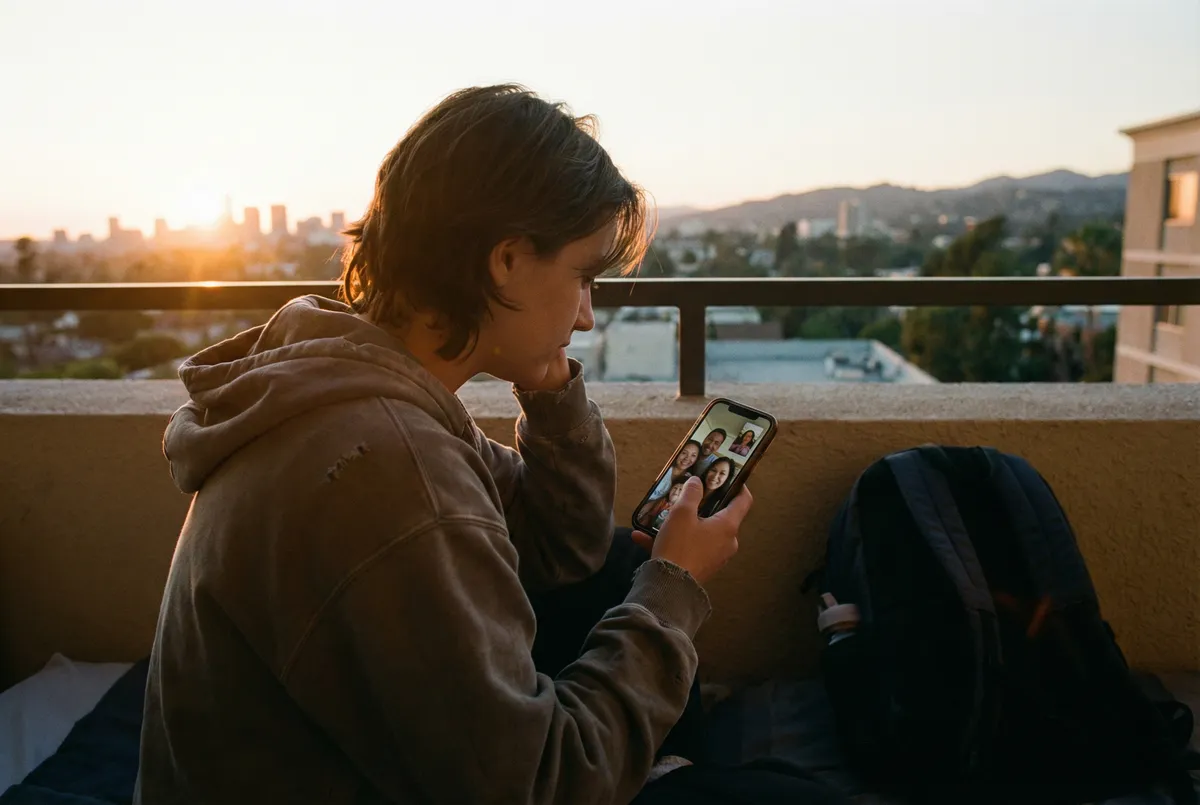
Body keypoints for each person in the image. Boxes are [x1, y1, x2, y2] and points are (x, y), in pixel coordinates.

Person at [134, 84, 753, 805]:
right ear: (507, 260)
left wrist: (552, 394)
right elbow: (540, 783)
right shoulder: (390, 467)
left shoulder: (356, 390)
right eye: (582, 277)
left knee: (623, 562)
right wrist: (675, 591)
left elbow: (567, 550)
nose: (586, 316)